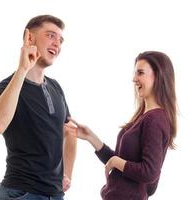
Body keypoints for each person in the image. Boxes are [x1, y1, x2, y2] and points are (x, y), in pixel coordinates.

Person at [0, 15, 77, 200]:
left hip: (55, 194)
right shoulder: (4, 89)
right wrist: (22, 69)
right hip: (21, 193)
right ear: (29, 38)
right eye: (51, 35)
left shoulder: (56, 88)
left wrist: (67, 173)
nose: (57, 44)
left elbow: (70, 131)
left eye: (60, 40)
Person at [66, 51, 177, 200]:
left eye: (140, 73)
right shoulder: (143, 117)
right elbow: (121, 165)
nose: (134, 79)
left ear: (157, 76)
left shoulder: (155, 119)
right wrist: (90, 137)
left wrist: (116, 162)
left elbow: (149, 172)